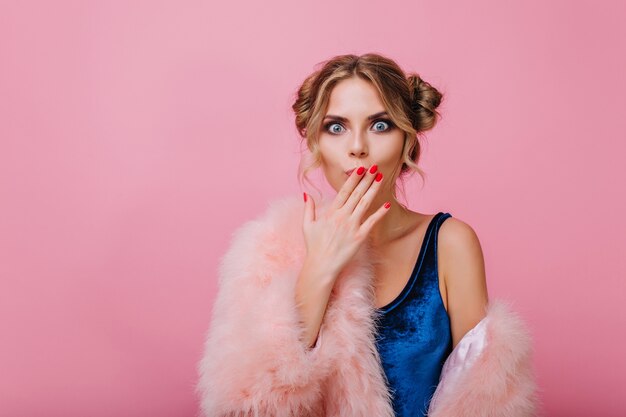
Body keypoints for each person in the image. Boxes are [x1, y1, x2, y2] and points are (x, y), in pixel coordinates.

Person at [196, 53, 539, 417]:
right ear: (314, 142)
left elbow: (484, 401)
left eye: (380, 125)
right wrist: (320, 269)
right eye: (336, 127)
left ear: (407, 139)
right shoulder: (268, 248)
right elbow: (244, 408)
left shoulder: (450, 243)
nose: (357, 147)